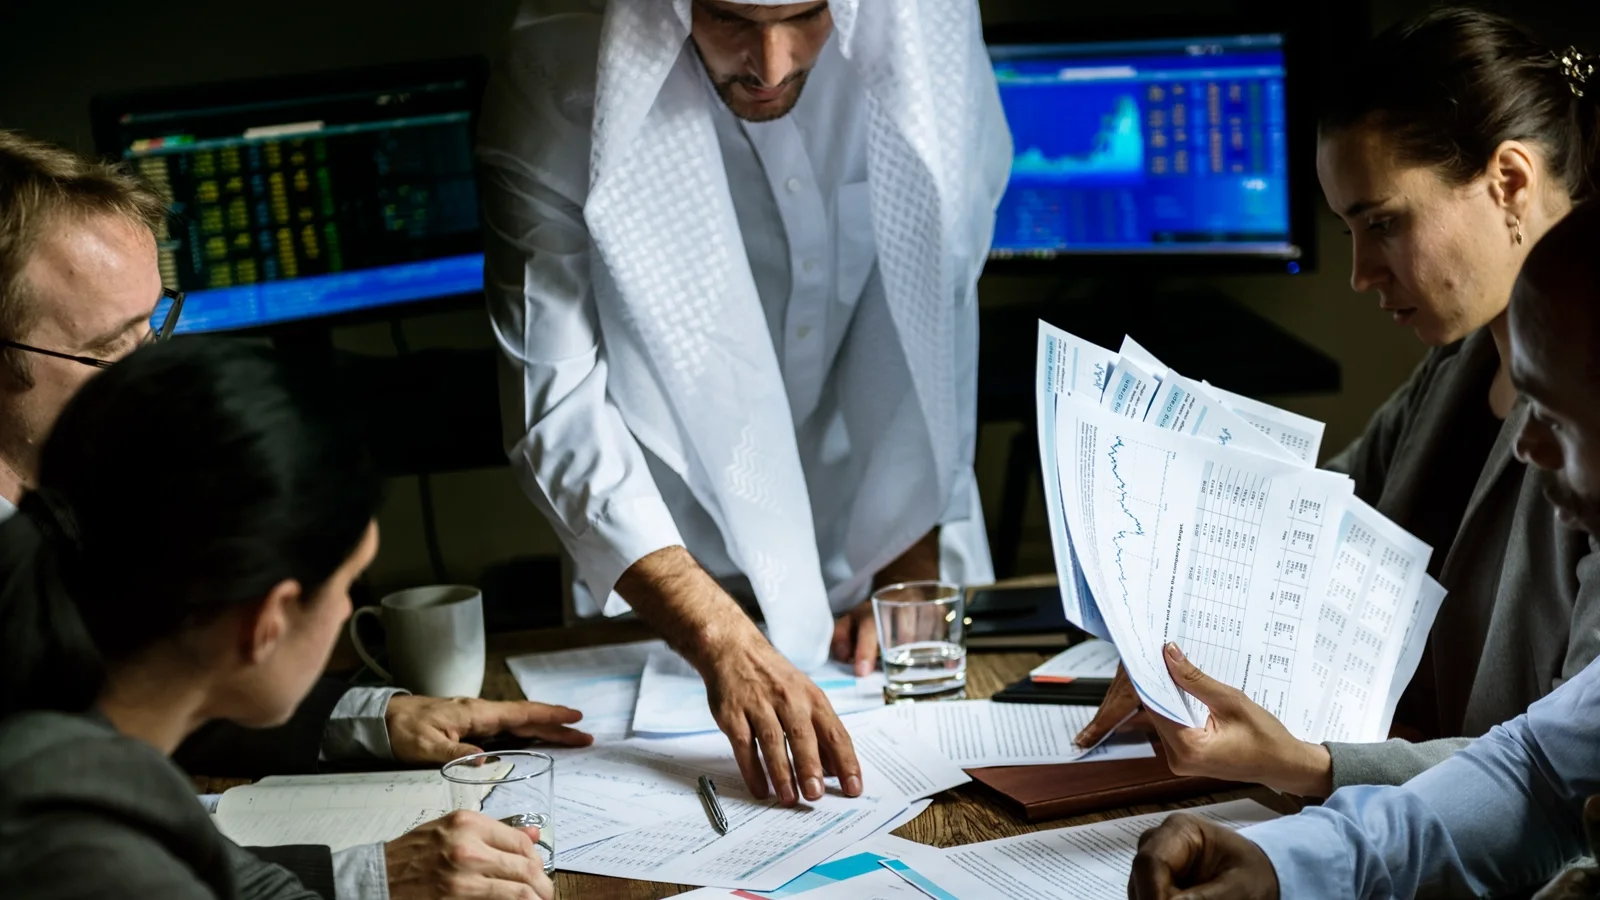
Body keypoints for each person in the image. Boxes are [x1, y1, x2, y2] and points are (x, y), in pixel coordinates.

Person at [0, 129, 590, 898]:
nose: (157, 376)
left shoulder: (65, 495)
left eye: (159, 327)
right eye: (114, 348)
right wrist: (369, 877)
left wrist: (380, 719)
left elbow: (159, 686)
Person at [477, 0, 1011, 804]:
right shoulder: (556, 66)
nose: (771, 62)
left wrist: (904, 560)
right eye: (729, 18)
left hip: (877, 559)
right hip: (669, 578)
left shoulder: (924, 22)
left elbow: (937, 289)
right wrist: (721, 638)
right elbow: (555, 400)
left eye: (807, 14)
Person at [1073, 6, 1600, 799]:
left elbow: (1572, 769)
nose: (1360, 274)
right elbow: (1308, 524)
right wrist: (1169, 643)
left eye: (1383, 224)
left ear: (1511, 183)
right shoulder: (1454, 371)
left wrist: (1305, 766)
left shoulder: (1591, 433)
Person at [1126, 194, 1600, 900]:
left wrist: (1307, 767)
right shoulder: (1450, 375)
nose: (1528, 448)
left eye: (1558, 420)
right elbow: (1533, 771)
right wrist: (1283, 866)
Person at [0, 339, 554, 900]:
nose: (344, 612)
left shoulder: (101, 751)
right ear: (266, 621)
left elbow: (228, 873)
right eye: (345, 587)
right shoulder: (87, 848)